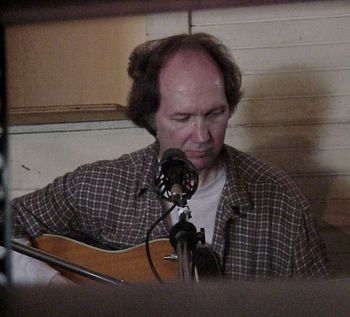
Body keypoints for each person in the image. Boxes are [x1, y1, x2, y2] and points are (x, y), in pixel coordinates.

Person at [8, 33, 328, 285]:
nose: (202, 136)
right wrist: (57, 287)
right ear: (150, 117)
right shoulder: (101, 186)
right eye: (182, 118)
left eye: (215, 114)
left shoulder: (280, 199)